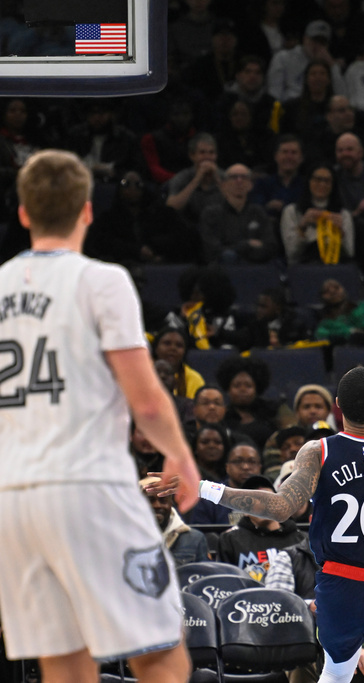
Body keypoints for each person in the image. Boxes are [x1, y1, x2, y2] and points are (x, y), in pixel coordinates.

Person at [0, 150, 200, 682]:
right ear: (87, 211)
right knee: (160, 649)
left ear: (23, 213)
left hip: (13, 498)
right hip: (87, 485)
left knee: (63, 659)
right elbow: (149, 401)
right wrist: (180, 455)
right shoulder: (101, 280)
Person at [191, 366, 364, 683]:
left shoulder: (319, 450)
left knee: (336, 671)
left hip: (340, 585)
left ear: (337, 405)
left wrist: (206, 488)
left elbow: (279, 508)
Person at [140, 476, 209, 567]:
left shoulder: (195, 539)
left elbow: (206, 578)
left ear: (171, 504)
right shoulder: (125, 537)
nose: (157, 505)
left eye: (163, 500)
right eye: (150, 500)